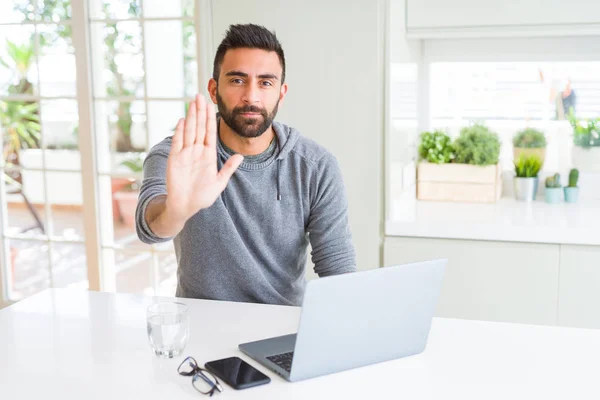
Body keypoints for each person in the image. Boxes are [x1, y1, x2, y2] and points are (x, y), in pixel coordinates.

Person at [135, 24, 356, 306]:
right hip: (203, 325)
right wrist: (175, 212)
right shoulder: (178, 156)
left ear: (281, 93)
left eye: (265, 82)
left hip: (282, 329)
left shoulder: (316, 166)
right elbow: (150, 228)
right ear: (214, 90)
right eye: (237, 81)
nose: (251, 97)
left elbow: (337, 268)